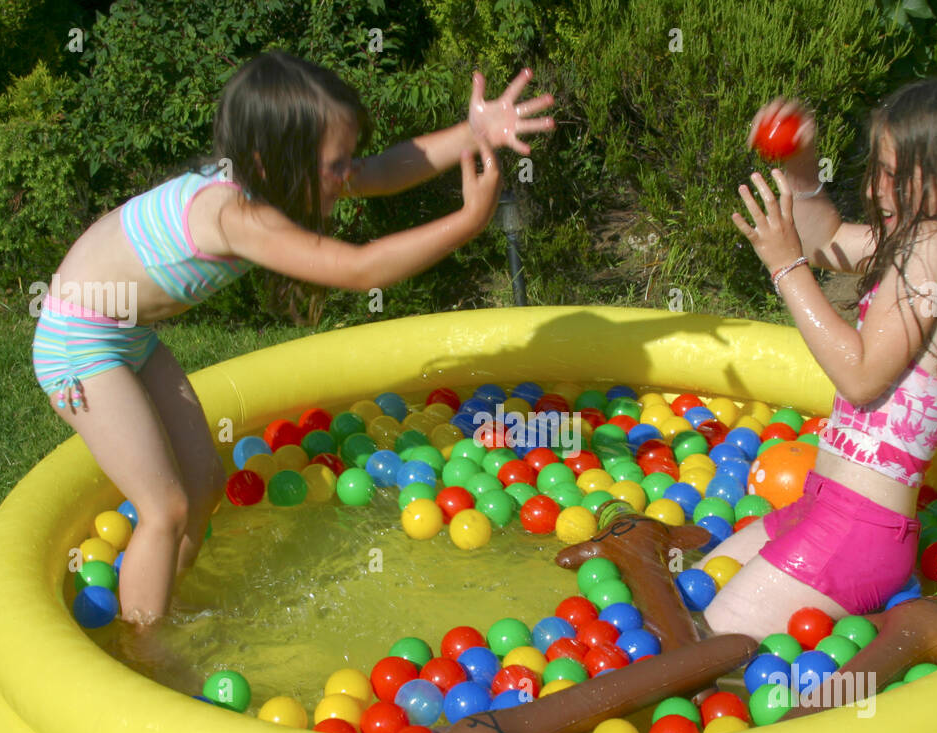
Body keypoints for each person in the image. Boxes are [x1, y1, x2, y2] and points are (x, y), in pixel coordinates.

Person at [35, 51, 554, 632]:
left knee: (203, 487)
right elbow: (360, 270)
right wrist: (467, 222)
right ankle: (145, 648)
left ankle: (159, 601)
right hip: (79, 344)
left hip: (128, 336)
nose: (345, 177)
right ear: (272, 159)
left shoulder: (278, 178)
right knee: (165, 507)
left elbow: (382, 170)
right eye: (336, 165)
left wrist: (474, 131)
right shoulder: (233, 214)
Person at [701, 77, 937, 638]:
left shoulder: (935, 251)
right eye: (878, 170)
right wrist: (802, 169)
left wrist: (784, 268)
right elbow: (824, 237)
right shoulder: (920, 240)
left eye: (893, 175)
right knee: (695, 589)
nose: (874, 190)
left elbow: (860, 375)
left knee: (716, 637)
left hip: (855, 532)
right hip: (822, 509)